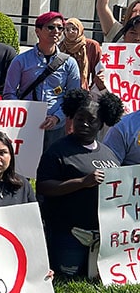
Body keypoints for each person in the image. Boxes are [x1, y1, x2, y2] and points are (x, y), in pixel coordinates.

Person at [36, 89, 123, 277]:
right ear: (71, 118)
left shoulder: (109, 153)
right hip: (69, 233)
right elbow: (43, 187)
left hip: (102, 235)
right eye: (79, 118)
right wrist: (82, 182)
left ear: (101, 124)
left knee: (96, 280)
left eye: (91, 120)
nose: (84, 123)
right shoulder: (57, 150)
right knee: (68, 278)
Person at [3, 12, 81, 152]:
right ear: (37, 31)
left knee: (51, 169)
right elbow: (9, 93)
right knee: (23, 170)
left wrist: (57, 117)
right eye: (51, 27)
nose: (56, 31)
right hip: (25, 125)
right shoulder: (21, 60)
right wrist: (23, 115)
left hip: (55, 127)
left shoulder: (69, 63)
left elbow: (73, 97)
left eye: (60, 28)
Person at [60, 18, 105, 92]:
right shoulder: (61, 47)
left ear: (80, 30)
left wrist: (93, 90)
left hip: (83, 90)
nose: (70, 32)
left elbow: (98, 70)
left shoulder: (91, 45)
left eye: (74, 29)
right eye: (67, 30)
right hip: (63, 89)